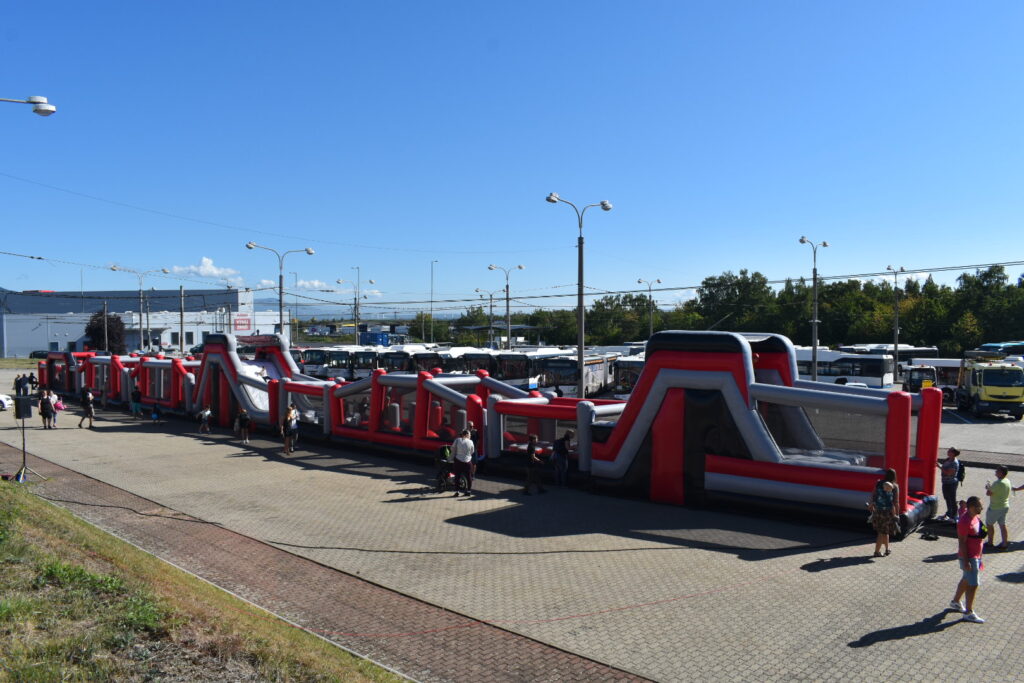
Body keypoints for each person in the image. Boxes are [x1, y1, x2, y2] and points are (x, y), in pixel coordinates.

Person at [950, 496, 987, 623]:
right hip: (970, 557)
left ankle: (955, 602)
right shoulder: (964, 522)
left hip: (976, 555)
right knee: (973, 584)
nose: (981, 508)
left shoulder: (975, 516)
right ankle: (969, 612)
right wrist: (966, 561)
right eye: (978, 506)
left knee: (966, 579)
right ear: (971, 507)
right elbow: (962, 542)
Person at [985, 465, 1019, 550]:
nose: (995, 472)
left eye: (997, 471)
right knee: (1002, 525)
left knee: (989, 525)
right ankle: (1004, 544)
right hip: (1005, 506)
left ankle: (990, 543)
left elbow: (988, 493)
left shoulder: (997, 483)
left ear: (1001, 473)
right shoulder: (1007, 481)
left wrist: (988, 488)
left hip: (995, 507)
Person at [868, 468, 899, 557]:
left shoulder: (879, 483)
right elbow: (896, 502)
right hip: (887, 512)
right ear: (894, 476)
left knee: (885, 531)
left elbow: (873, 494)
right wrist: (897, 514)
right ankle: (876, 552)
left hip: (878, 510)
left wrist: (871, 503)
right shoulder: (894, 486)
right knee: (882, 532)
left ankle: (887, 549)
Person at [937, 447, 963, 521]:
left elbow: (949, 473)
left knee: (952, 499)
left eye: (949, 451)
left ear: (953, 453)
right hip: (945, 482)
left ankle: (954, 515)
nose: (947, 451)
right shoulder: (948, 459)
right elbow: (944, 467)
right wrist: (940, 466)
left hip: (952, 483)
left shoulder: (954, 462)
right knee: (947, 498)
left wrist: (940, 467)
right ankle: (949, 513)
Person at [451, 428, 475, 497]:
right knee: (469, 476)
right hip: (467, 461)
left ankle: (457, 492)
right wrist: (467, 455)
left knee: (457, 476)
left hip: (458, 461)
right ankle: (468, 491)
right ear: (466, 434)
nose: (470, 436)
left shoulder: (457, 440)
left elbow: (452, 448)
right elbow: (472, 451)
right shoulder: (471, 442)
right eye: (469, 435)